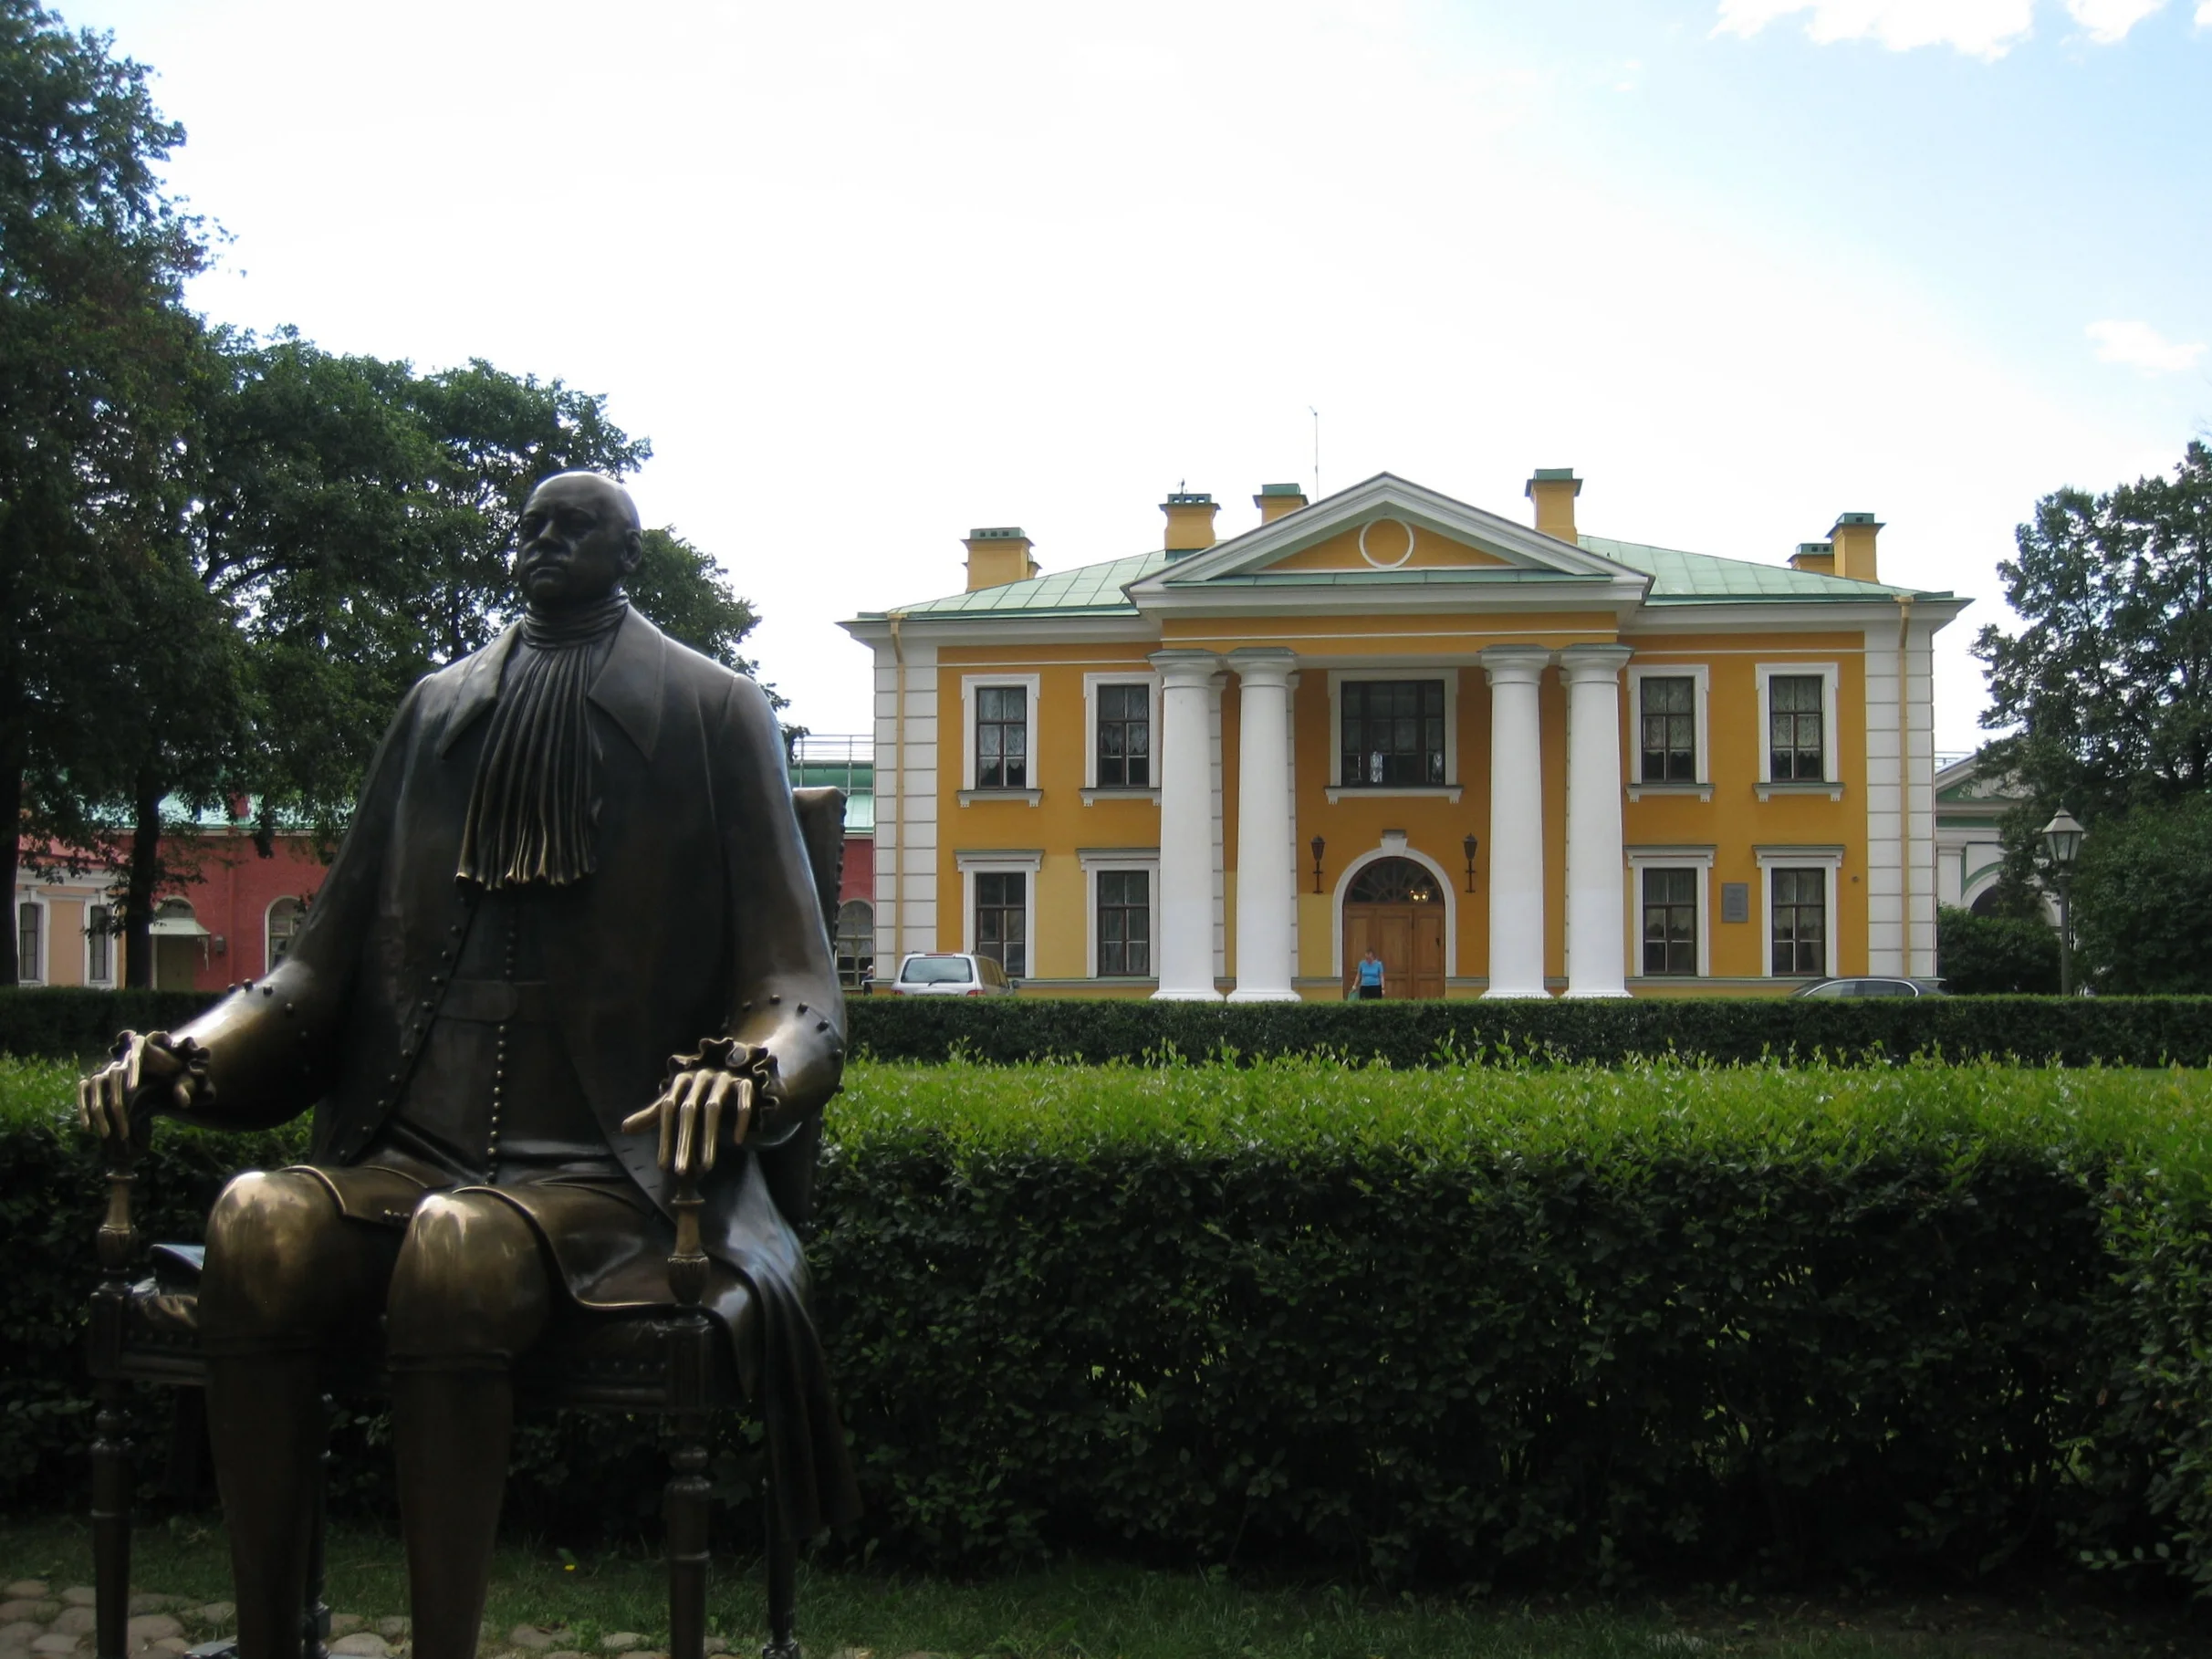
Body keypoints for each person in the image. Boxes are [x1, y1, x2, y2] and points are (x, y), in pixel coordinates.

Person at [78, 473, 856, 1659]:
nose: (543, 538)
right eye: (531, 522)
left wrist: (747, 1073)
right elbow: (311, 971)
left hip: (618, 1173)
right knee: (255, 1221)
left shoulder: (712, 711)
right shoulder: (436, 710)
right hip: (405, 1151)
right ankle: (268, 1636)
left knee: (456, 1247)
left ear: (628, 555)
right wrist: (184, 1053)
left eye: (575, 523)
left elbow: (798, 986)